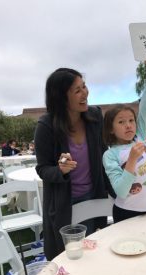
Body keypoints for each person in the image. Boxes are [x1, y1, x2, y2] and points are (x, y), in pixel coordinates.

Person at [35, 67, 113, 260]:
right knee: (70, 257)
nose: (85, 93)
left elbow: (104, 156)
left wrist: (117, 190)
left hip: (94, 196)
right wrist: (60, 170)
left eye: (84, 87)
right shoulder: (46, 126)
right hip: (65, 203)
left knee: (95, 250)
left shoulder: (95, 117)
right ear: (61, 97)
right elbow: (43, 169)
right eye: (77, 90)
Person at [102, 54, 146, 223]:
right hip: (128, 213)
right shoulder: (110, 155)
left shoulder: (139, 137)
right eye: (121, 122)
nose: (128, 125)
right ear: (111, 129)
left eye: (131, 120)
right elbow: (121, 191)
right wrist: (131, 160)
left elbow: (145, 107)